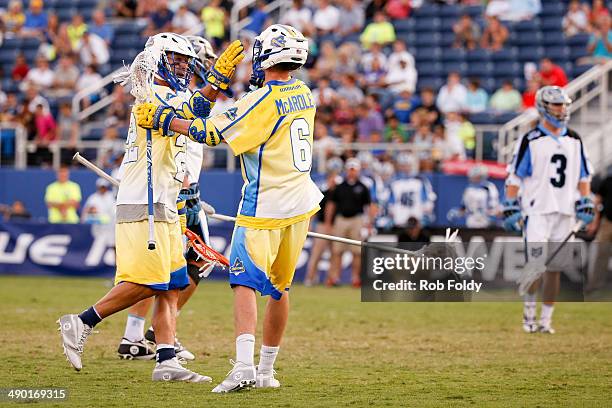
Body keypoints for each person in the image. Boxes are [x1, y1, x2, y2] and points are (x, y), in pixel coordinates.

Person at [134, 24, 320, 391]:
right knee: (280, 289)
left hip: (265, 205)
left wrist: (164, 120)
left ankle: (243, 368)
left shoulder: (260, 101)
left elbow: (211, 133)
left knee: (243, 284)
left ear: (265, 56)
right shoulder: (304, 92)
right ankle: (267, 371)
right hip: (301, 202)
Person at [58, 32, 245, 382]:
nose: (182, 66)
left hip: (165, 202)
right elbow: (191, 115)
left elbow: (194, 110)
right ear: (157, 60)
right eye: (175, 60)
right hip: (144, 203)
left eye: (185, 61)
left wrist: (214, 88)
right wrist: (216, 85)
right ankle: (82, 321)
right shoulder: (150, 96)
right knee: (148, 282)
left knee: (173, 283)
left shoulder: (170, 93)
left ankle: (166, 360)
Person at [116, 35, 219, 363]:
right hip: (170, 194)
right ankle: (146, 335)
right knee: (179, 269)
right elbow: (184, 143)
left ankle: (149, 337)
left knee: (171, 272)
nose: (193, 66)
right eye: (183, 60)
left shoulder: (170, 92)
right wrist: (188, 190)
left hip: (176, 190)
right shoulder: (168, 95)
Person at [503, 86, 594, 334]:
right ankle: (529, 317)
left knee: (555, 269)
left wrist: (585, 201)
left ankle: (546, 321)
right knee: (535, 265)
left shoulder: (574, 139)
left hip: (565, 211)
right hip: (537, 211)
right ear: (544, 107)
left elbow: (584, 175)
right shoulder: (531, 140)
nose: (561, 109)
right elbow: (515, 177)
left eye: (563, 105)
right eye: (556, 105)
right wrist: (510, 205)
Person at [325, 158, 374, 287]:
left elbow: (369, 206)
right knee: (336, 251)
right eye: (350, 169)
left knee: (356, 252)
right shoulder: (340, 187)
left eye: (354, 169)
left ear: (358, 170)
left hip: (356, 219)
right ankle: (334, 277)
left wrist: (369, 223)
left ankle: (355, 278)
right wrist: (328, 223)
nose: (352, 172)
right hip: (341, 219)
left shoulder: (363, 187)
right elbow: (331, 204)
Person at [304, 158, 344, 286]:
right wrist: (310, 223)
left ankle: (332, 278)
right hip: (322, 224)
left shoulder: (342, 185)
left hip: (337, 223)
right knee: (317, 252)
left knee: (335, 253)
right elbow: (315, 206)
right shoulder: (321, 185)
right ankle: (310, 278)